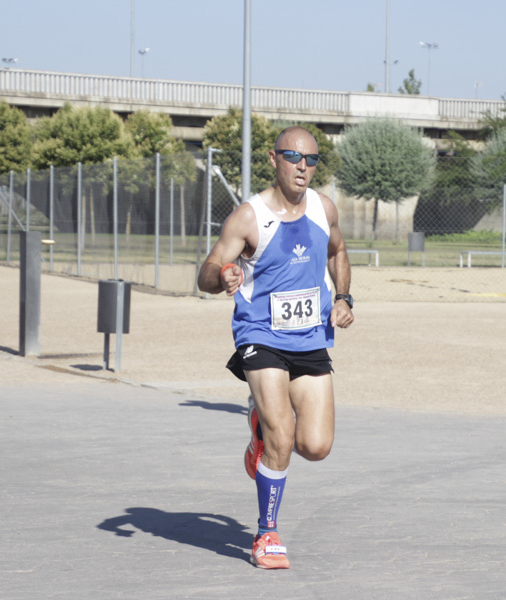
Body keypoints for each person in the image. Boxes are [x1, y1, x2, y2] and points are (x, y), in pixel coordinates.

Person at [197, 126, 354, 569]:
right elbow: (207, 271)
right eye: (293, 157)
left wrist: (343, 297)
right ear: (273, 159)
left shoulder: (324, 210)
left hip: (310, 339)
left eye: (312, 160)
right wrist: (222, 276)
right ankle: (267, 534)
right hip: (260, 336)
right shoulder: (249, 217)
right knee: (281, 435)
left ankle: (257, 429)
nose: (303, 167)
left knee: (316, 445)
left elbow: (338, 252)